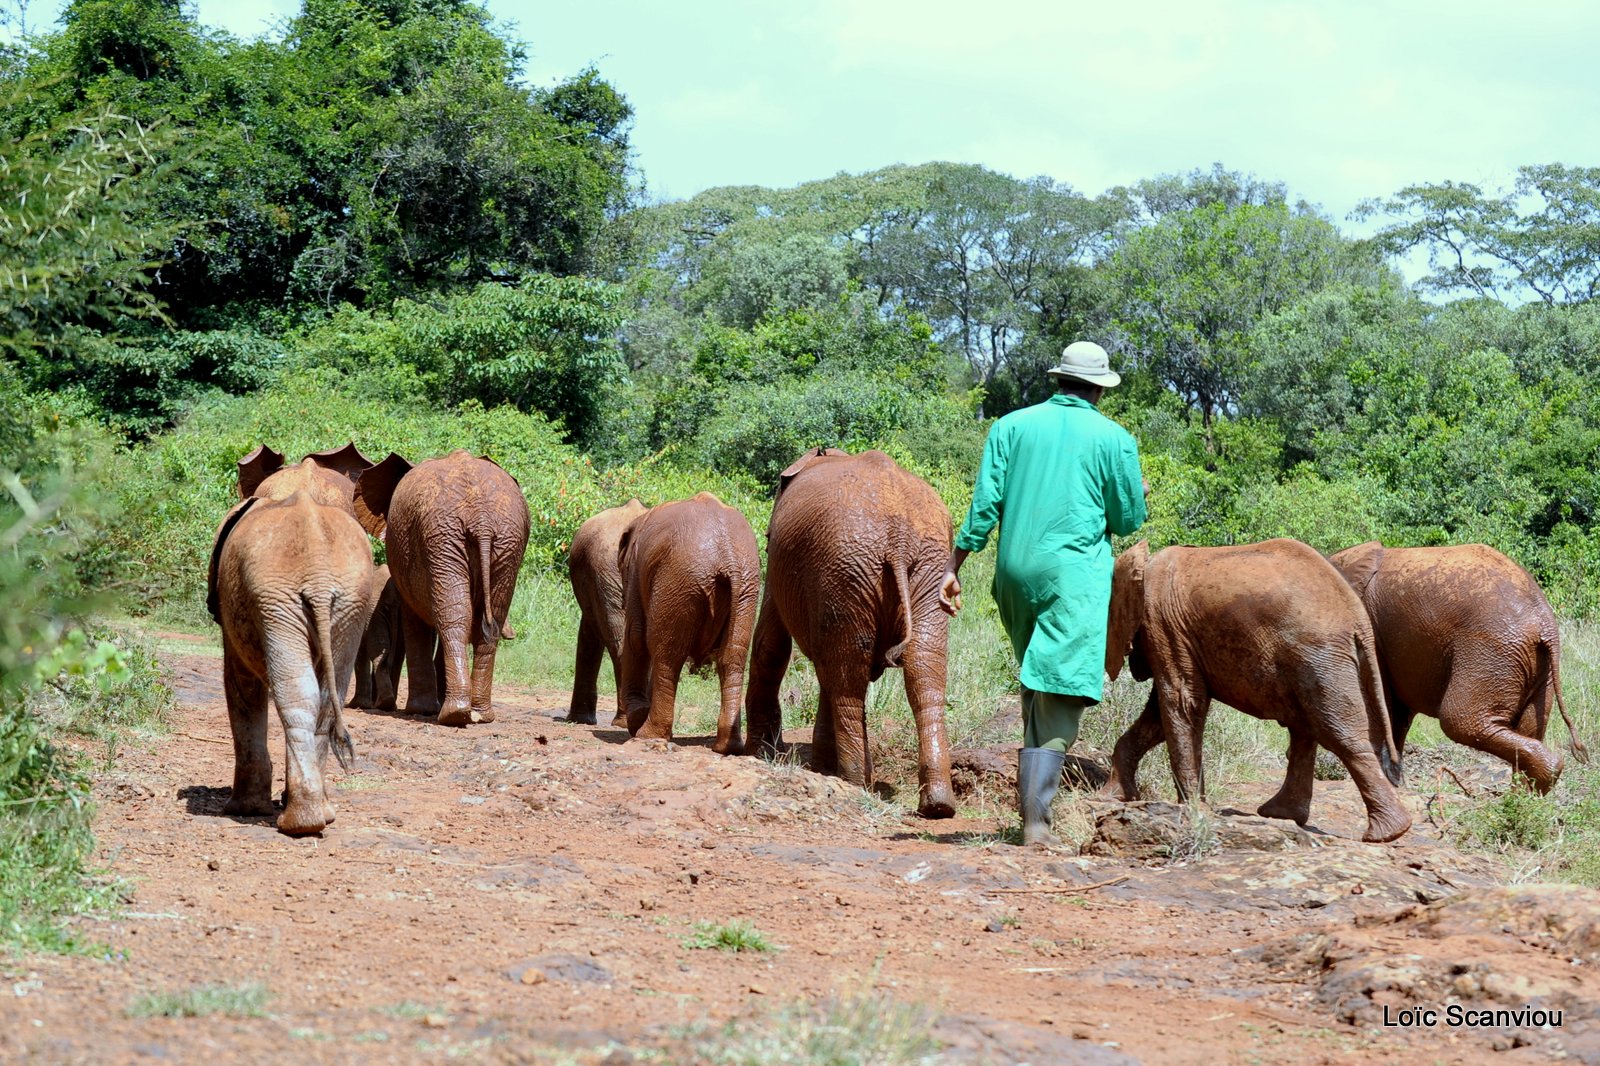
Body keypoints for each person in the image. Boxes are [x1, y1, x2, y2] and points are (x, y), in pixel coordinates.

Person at [940, 341, 1148, 847]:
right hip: (1072, 577)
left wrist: (953, 567)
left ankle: (1031, 811)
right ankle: (1037, 825)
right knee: (1059, 688)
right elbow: (1127, 521)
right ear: (1100, 387)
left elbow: (984, 507)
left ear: (1060, 380)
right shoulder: (1114, 437)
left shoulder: (1009, 426)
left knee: (1038, 675)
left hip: (1013, 572)